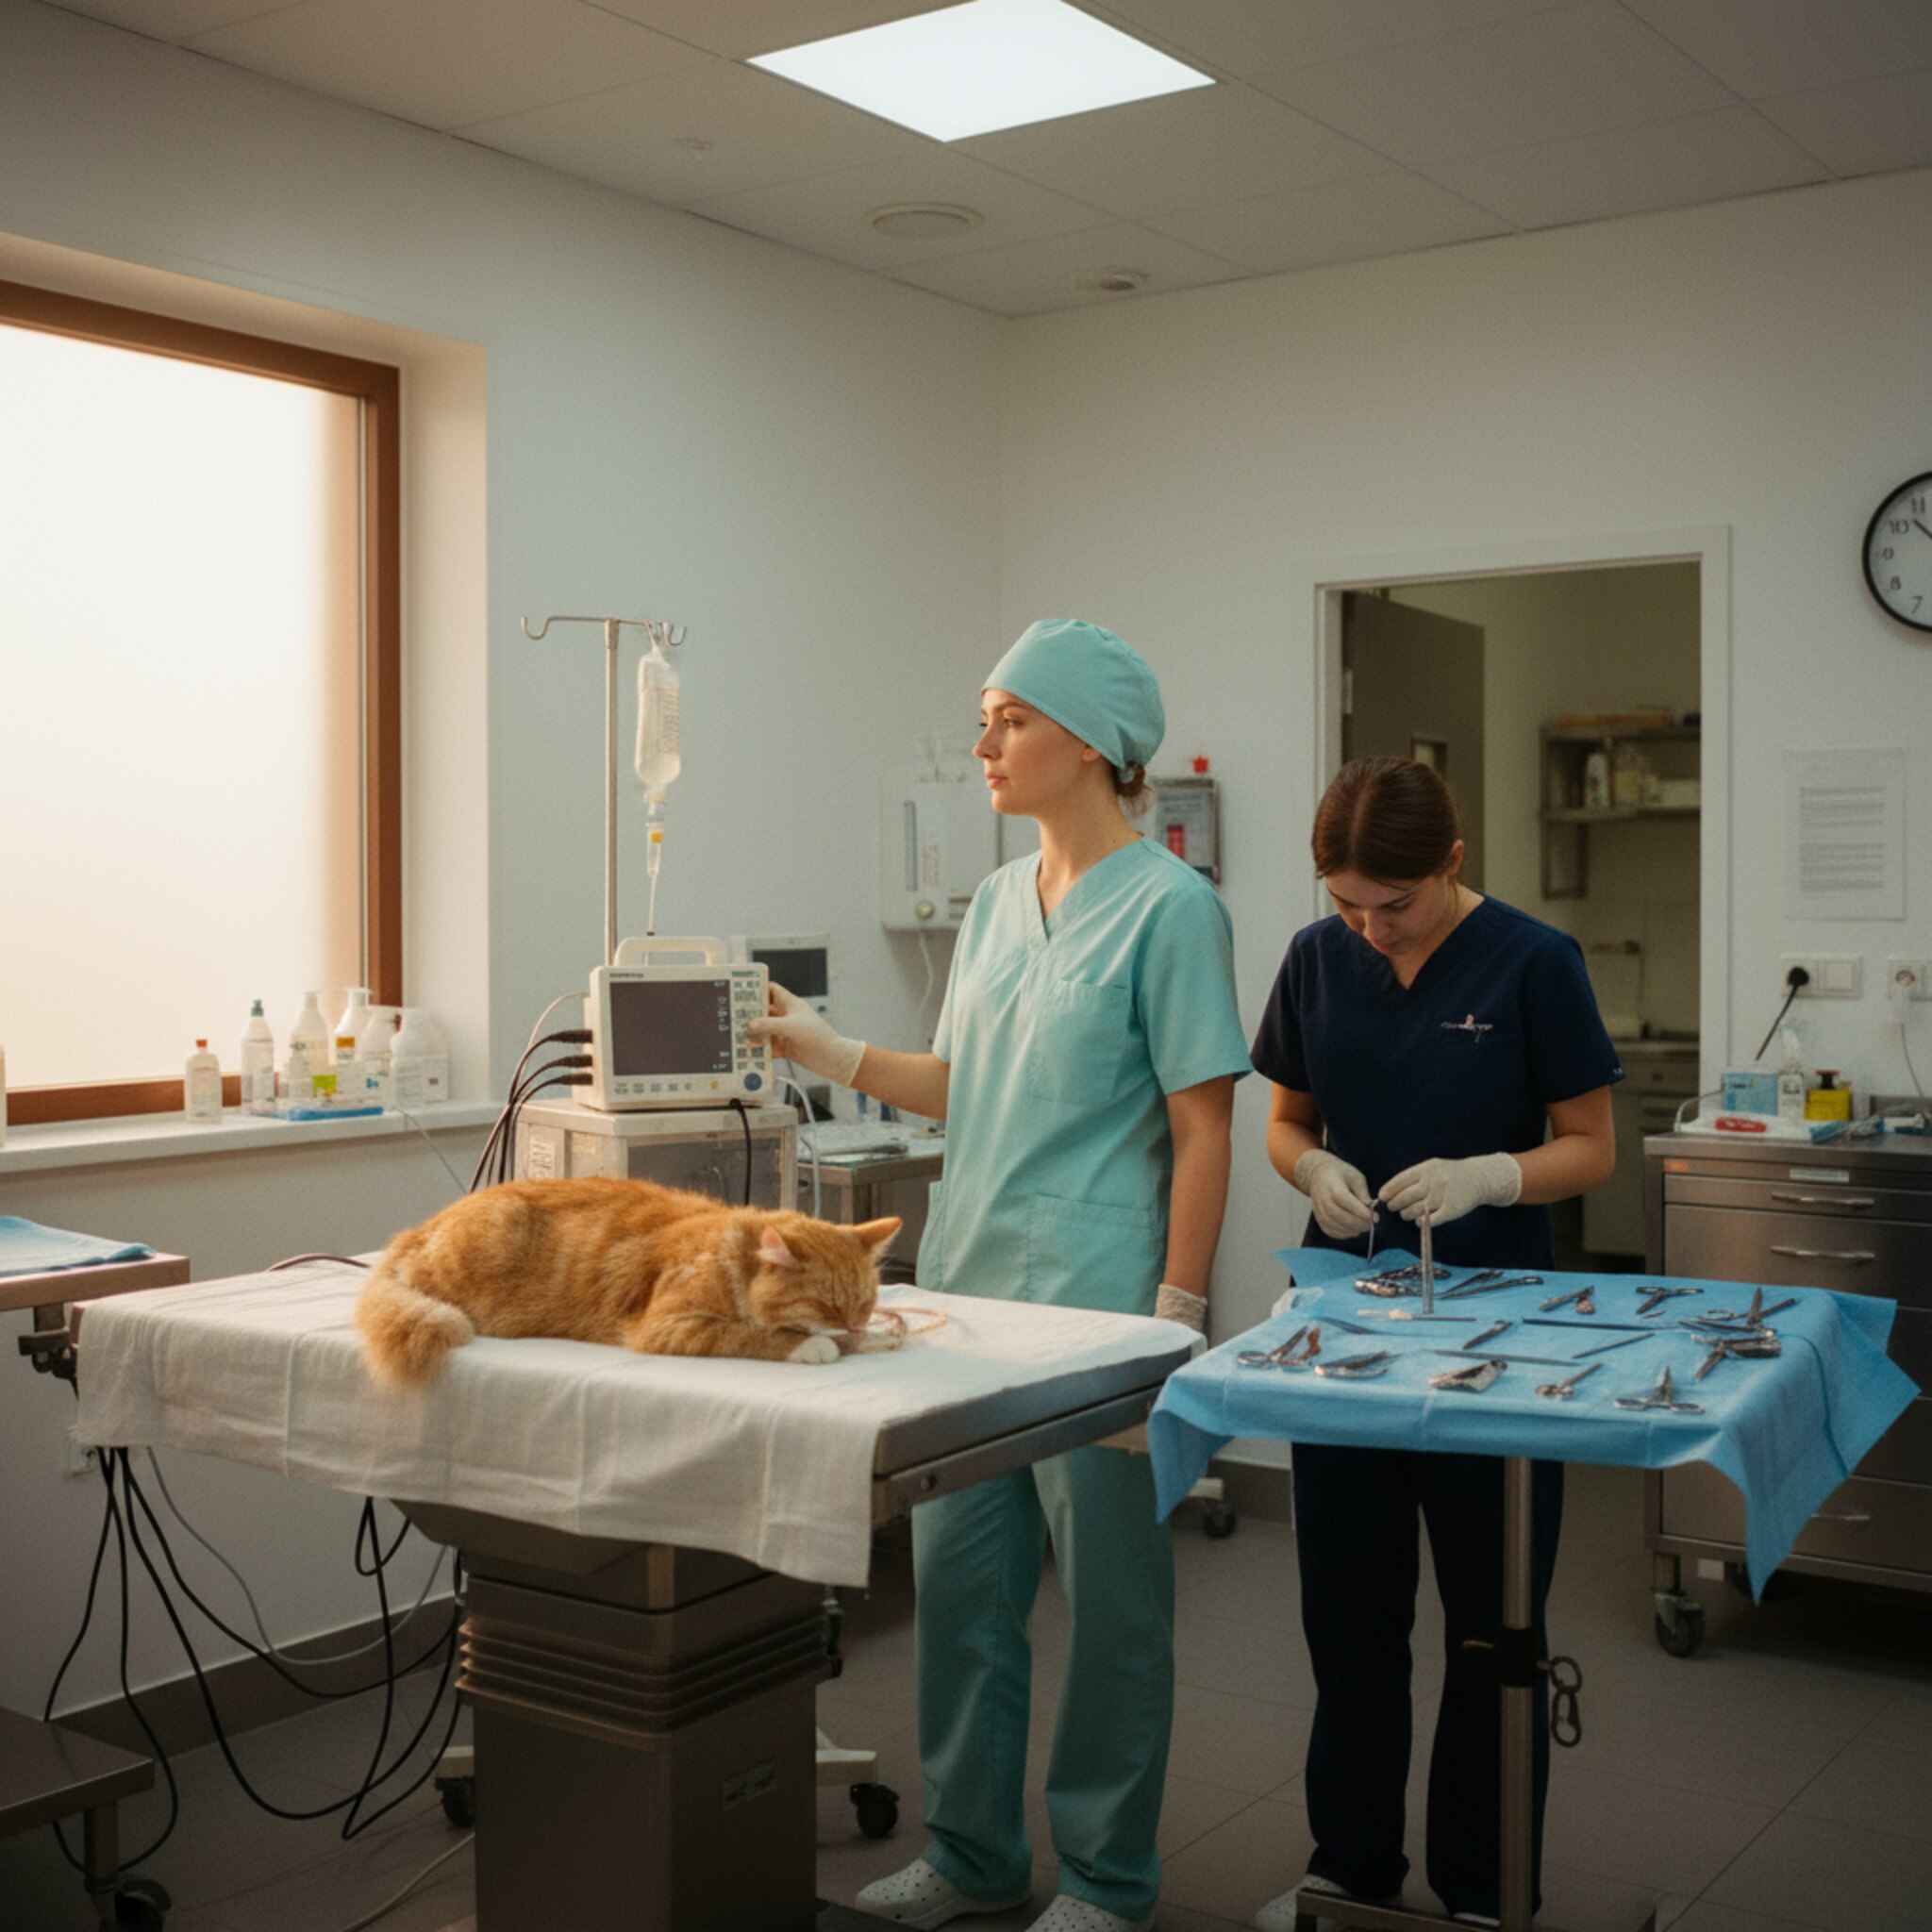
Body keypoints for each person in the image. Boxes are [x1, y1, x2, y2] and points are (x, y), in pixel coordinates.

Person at [752, 619, 1250, 1932]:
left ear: (1087, 741)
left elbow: (1206, 1128)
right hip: (968, 1297)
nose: (982, 745)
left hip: (1100, 1316)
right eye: (985, 719)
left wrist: (1175, 1326)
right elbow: (966, 1085)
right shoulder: (989, 908)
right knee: (964, 1590)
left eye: (1007, 720)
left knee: (1113, 1613)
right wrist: (831, 1048)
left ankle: (1106, 1877)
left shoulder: (1173, 911)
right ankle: (972, 1854)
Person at [1247, 754, 1620, 1932]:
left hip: (1499, 1337)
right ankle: (1349, 1869)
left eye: (1392, 904)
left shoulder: (1532, 961)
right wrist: (1308, 1165)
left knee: (1488, 1625)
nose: (1370, 928)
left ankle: (1482, 1887)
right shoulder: (1316, 958)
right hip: (1350, 1332)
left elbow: (1592, 1145)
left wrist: (1491, 1173)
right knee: (1347, 1622)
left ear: (1451, 863)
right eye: (1346, 903)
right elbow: (1282, 1116)